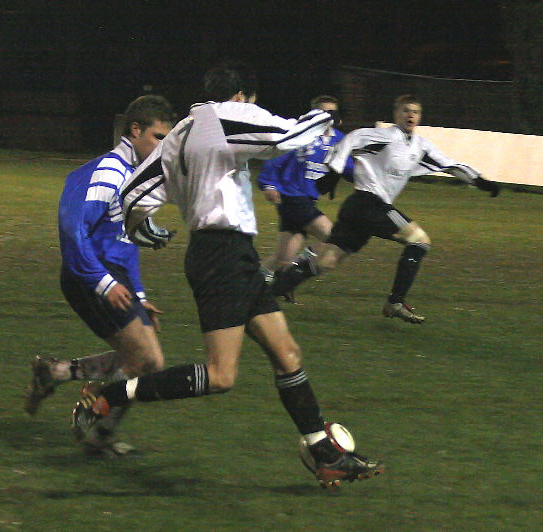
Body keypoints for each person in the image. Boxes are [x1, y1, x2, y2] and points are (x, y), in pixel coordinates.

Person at [71, 62, 384, 489]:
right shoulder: (228, 116)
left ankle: (323, 452)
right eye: (252, 103)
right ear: (241, 96)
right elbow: (290, 136)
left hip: (225, 254)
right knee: (221, 375)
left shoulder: (179, 133)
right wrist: (326, 116)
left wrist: (143, 229)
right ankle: (111, 396)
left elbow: (133, 197)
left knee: (286, 353)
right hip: (222, 255)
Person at [25, 95, 177, 456]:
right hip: (89, 275)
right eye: (158, 137)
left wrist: (138, 296)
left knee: (145, 361)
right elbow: (73, 229)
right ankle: (97, 430)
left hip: (110, 275)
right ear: (135, 130)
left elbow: (124, 245)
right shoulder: (109, 170)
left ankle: (56, 373)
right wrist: (103, 283)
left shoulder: (133, 176)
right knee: (144, 360)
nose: (162, 147)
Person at [271, 94, 500, 324]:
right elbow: (349, 141)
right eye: (405, 110)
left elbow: (450, 165)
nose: (410, 115)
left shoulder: (421, 147)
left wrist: (479, 181)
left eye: (415, 111)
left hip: (361, 209)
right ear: (396, 114)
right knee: (419, 241)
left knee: (325, 262)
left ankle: (266, 293)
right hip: (367, 204)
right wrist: (334, 170)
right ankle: (395, 302)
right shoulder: (381, 136)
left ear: (420, 117)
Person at [257, 95, 354, 293]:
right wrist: (268, 184)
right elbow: (277, 156)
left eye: (332, 113)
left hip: (307, 200)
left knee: (282, 257)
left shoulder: (340, 140)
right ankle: (304, 260)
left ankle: (253, 284)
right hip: (291, 196)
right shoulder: (303, 135)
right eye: (322, 113)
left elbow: (349, 167)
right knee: (335, 237)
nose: (327, 117)